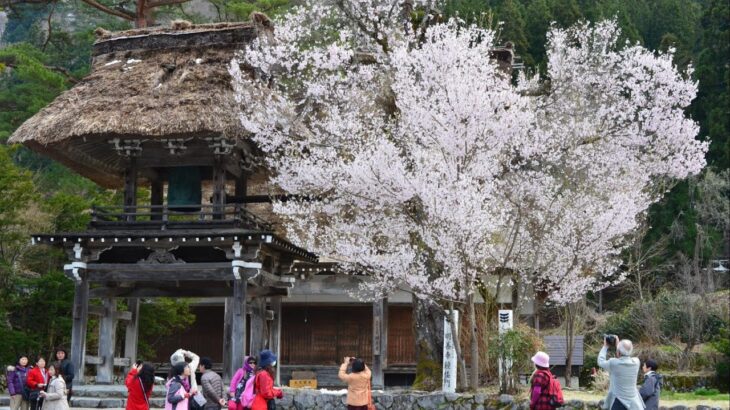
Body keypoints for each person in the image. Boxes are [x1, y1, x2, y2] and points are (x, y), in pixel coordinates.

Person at [598, 336, 644, 410]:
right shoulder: (636, 362)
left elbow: (600, 361)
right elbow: (623, 355)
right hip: (633, 404)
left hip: (618, 402)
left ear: (618, 352)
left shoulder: (613, 363)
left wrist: (605, 346)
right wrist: (618, 345)